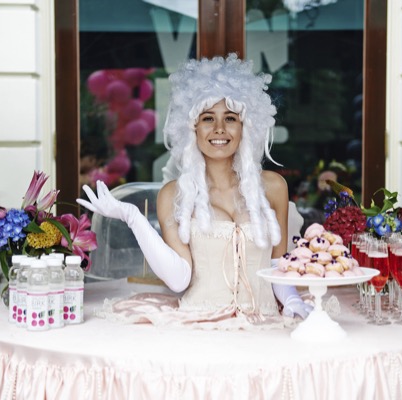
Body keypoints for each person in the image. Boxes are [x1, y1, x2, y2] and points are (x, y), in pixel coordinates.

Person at [77, 54, 311, 329]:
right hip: (200, 325)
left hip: (266, 323)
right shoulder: (175, 195)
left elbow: (276, 266)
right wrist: (133, 217)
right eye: (208, 118)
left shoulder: (273, 187)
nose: (220, 129)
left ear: (246, 126)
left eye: (231, 118)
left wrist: (293, 300)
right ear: (192, 128)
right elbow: (178, 280)